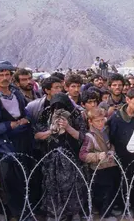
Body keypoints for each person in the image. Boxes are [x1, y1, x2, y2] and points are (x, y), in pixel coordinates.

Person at [34, 93, 87, 221]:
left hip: (71, 157)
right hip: (51, 157)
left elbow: (82, 137)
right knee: (52, 185)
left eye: (62, 107)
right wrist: (50, 131)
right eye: (55, 107)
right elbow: (36, 135)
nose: (59, 110)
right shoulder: (46, 114)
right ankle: (56, 212)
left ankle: (74, 212)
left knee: (73, 185)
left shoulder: (75, 114)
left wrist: (68, 127)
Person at [0, 61, 34, 220]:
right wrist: (9, 125)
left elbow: (25, 111)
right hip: (3, 144)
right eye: (0, 75)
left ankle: (27, 209)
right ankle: (16, 213)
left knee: (25, 176)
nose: (5, 78)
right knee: (9, 180)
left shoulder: (16, 93)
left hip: (23, 139)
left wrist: (26, 119)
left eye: (7, 75)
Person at [107, 88, 134, 216]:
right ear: (128, 100)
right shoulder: (117, 117)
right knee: (124, 182)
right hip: (122, 157)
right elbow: (111, 137)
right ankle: (126, 206)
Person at [79, 108, 118, 221]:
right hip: (99, 168)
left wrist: (112, 151)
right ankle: (105, 214)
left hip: (109, 166)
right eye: (97, 121)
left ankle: (107, 210)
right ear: (90, 122)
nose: (101, 123)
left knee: (110, 189)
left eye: (102, 120)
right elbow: (83, 155)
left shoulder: (104, 130)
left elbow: (110, 145)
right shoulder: (89, 137)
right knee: (102, 192)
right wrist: (97, 156)